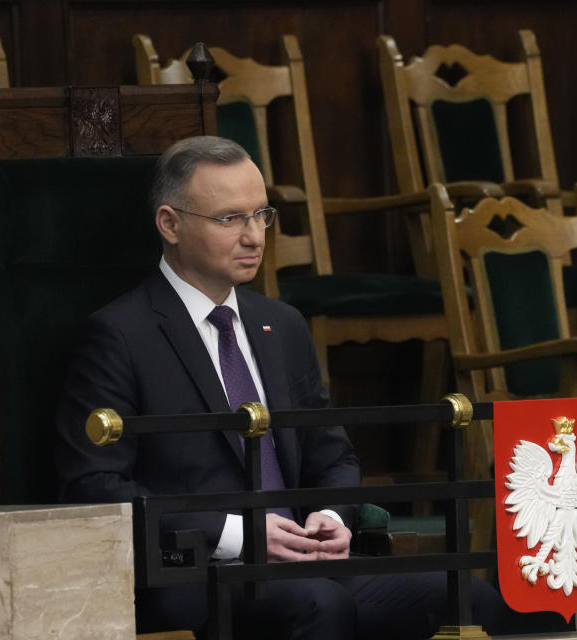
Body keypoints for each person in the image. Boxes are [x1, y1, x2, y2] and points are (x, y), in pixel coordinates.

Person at [54, 136, 512, 639]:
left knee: (469, 598)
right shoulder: (120, 335)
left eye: (261, 215)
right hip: (198, 575)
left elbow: (335, 458)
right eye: (230, 219)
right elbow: (94, 485)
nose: (254, 236)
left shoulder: (282, 324)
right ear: (170, 224)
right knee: (320, 605)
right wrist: (237, 534)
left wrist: (330, 516)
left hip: (305, 562)